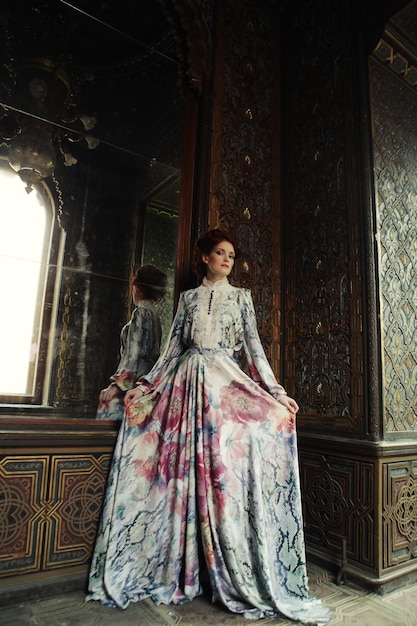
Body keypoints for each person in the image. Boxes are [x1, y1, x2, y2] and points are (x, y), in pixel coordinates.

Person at [87, 229, 331, 624]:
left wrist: (276, 392)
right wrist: (144, 387)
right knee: (183, 469)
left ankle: (230, 561)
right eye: (219, 253)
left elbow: (254, 349)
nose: (226, 259)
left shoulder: (241, 298)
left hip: (226, 383)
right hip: (187, 385)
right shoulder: (187, 300)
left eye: (231, 255)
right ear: (204, 257)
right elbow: (171, 350)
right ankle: (182, 566)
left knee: (224, 471)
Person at [95, 263, 167, 420]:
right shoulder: (153, 315)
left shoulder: (141, 313)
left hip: (135, 383)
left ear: (137, 287)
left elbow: (134, 355)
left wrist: (116, 386)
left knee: (107, 403)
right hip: (146, 381)